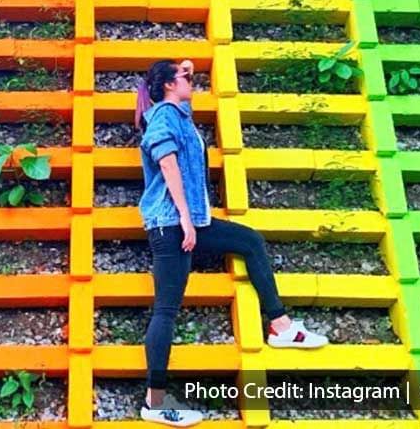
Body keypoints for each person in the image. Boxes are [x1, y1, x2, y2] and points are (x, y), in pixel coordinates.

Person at [135, 58, 328, 427]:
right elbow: (169, 167)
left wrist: (184, 66)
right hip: (171, 224)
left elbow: (183, 90)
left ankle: (282, 327)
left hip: (191, 221)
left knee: (251, 241)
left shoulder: (179, 113)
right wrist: (187, 222)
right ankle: (154, 403)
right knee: (166, 310)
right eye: (184, 77)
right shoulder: (161, 118)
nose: (191, 80)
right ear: (167, 86)